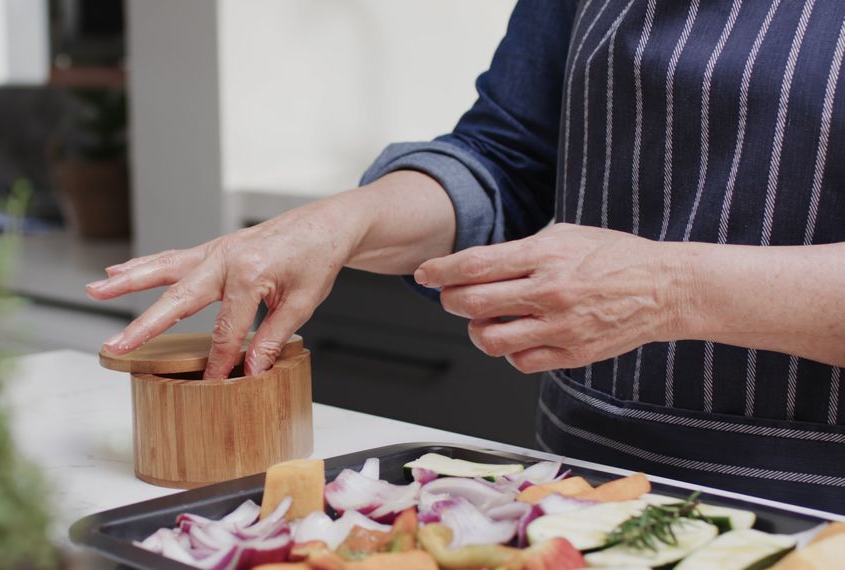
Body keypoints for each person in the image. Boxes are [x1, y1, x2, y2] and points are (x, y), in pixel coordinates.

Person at [87, 0, 845, 513]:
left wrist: (672, 289)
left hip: (812, 510)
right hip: (578, 497)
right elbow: (507, 158)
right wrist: (344, 222)